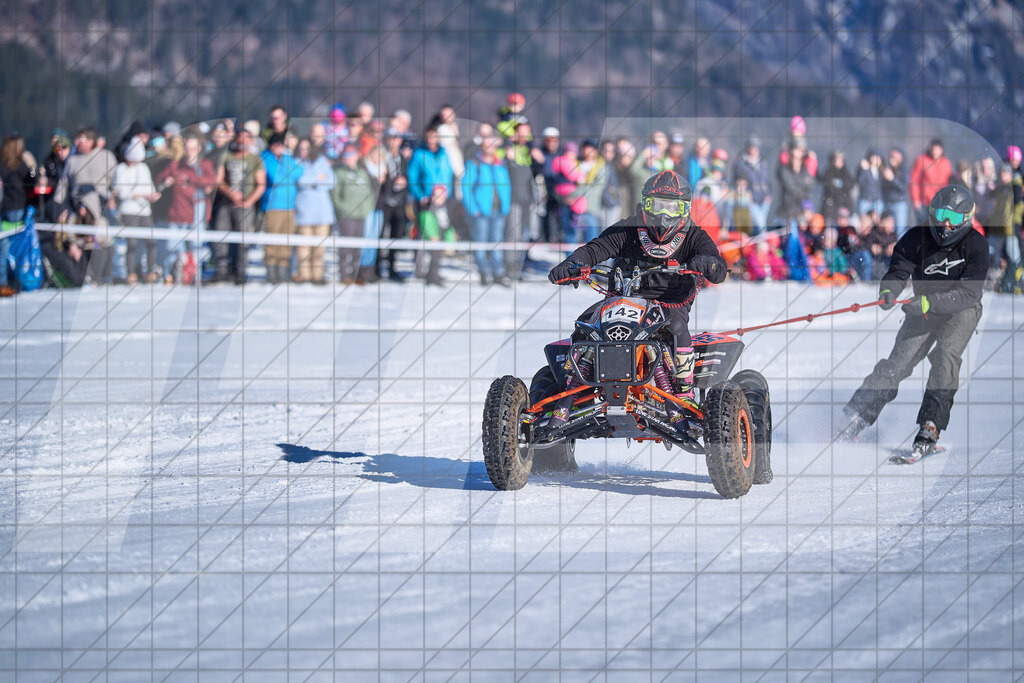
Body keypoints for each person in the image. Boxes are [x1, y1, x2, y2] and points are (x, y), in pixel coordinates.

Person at [547, 170, 727, 430]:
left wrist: (708, 263)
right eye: (657, 205)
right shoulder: (628, 229)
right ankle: (573, 389)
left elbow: (718, 267)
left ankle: (683, 391)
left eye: (672, 207)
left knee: (676, 328)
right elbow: (595, 249)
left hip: (671, 302)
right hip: (623, 298)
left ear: (684, 210)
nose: (664, 215)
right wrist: (572, 264)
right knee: (586, 324)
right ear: (645, 204)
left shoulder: (694, 236)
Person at [837, 185, 987, 458]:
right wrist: (888, 291)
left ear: (966, 218)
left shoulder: (976, 245)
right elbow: (897, 273)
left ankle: (930, 425)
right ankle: (856, 416)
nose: (945, 223)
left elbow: (969, 293)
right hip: (923, 309)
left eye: (953, 218)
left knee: (945, 357)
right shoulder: (915, 238)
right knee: (897, 363)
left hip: (961, 310)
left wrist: (932, 302)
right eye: (941, 214)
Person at [156, 134, 217, 284]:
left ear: (199, 149)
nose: (190, 152)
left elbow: (211, 181)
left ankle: (195, 274)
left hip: (197, 208)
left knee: (196, 243)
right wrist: (166, 182)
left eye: (193, 149)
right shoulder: (176, 165)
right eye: (188, 148)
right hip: (178, 210)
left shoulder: (204, 165)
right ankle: (172, 273)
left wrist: (193, 180)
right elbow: (160, 180)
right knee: (174, 245)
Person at [212, 129, 266, 284]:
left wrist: (249, 202)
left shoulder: (255, 159)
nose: (242, 141)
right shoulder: (226, 156)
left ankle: (240, 272)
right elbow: (219, 180)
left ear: (250, 141)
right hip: (226, 203)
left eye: (246, 138)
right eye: (240, 138)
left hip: (246, 205)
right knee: (220, 238)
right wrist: (230, 193)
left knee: (243, 240)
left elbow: (260, 184)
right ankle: (221, 271)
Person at [462, 131, 511, 286]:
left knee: (497, 243)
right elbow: (466, 187)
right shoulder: (474, 163)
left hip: (498, 212)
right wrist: (472, 209)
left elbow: (507, 187)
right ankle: (483, 273)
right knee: (481, 243)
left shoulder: (500, 164)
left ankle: (498, 274)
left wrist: (506, 206)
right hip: (481, 212)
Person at [407, 126, 454, 286]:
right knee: (424, 236)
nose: (432, 140)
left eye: (434, 137)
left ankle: (434, 271)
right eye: (429, 137)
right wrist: (421, 196)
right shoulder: (419, 155)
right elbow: (412, 177)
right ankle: (420, 270)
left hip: (441, 201)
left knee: (439, 235)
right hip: (425, 202)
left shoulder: (444, 155)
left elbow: (448, 176)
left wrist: (446, 194)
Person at [111, 136, 160, 283]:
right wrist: (142, 195)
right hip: (129, 210)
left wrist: (152, 195)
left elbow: (150, 186)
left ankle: (150, 271)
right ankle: (131, 273)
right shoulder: (121, 169)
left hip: (145, 211)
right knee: (131, 243)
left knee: (151, 243)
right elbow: (122, 192)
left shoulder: (143, 168)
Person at [259, 132, 303, 284]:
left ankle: (283, 271)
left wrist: (287, 158)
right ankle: (272, 272)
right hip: (273, 207)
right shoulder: (265, 158)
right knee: (272, 240)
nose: (279, 148)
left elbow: (299, 172)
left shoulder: (287, 159)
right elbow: (276, 177)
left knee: (286, 240)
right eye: (277, 145)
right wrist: (286, 168)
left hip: (290, 207)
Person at [331, 145, 375, 285]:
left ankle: (356, 274)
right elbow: (335, 196)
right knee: (346, 247)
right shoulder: (339, 173)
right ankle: (345, 275)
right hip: (346, 215)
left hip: (361, 215)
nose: (349, 158)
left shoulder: (362, 173)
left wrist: (367, 209)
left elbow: (369, 193)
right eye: (346, 155)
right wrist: (343, 209)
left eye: (352, 154)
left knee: (357, 247)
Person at [294, 137, 335, 284]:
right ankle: (304, 275)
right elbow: (300, 180)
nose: (304, 151)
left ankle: (317, 276)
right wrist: (318, 178)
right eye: (301, 148)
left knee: (319, 248)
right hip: (304, 212)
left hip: (323, 213)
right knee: (303, 247)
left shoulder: (322, 161)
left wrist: (313, 181)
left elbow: (331, 181)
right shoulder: (297, 162)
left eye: (306, 148)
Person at [0, 135, 36, 296]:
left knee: (4, 247)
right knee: (17, 248)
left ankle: (4, 281)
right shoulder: (21, 165)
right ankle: (17, 280)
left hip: (4, 209)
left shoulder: (2, 164)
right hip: (17, 209)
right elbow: (32, 181)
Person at [910, 139, 952, 225]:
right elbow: (914, 181)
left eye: (937, 149)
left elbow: (948, 184)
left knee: (936, 229)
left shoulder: (946, 164)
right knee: (922, 228)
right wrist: (915, 200)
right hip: (923, 202)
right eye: (933, 149)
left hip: (939, 204)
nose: (935, 152)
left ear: (941, 150)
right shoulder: (922, 160)